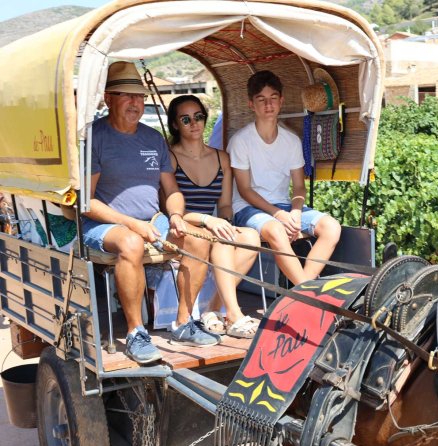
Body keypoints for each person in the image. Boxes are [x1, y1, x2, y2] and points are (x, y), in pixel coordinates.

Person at [82, 61, 219, 364]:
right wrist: (133, 225)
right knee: (131, 242)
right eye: (127, 95)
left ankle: (183, 322)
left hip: (152, 221)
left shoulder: (153, 138)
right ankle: (136, 333)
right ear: (108, 98)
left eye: (139, 96)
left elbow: (172, 191)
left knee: (198, 239)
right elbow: (87, 202)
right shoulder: (94, 138)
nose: (135, 103)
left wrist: (176, 216)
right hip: (103, 224)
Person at [228, 70, 341, 285]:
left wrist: (295, 212)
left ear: (281, 101)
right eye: (261, 99)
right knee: (277, 229)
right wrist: (278, 214)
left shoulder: (291, 140)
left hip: (283, 206)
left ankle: (302, 287)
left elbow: (299, 186)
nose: (268, 105)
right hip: (247, 208)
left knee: (332, 227)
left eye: (273, 98)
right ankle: (305, 292)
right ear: (251, 104)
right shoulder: (240, 141)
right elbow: (244, 190)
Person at [166, 95, 261, 338]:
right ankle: (234, 314)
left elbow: (225, 205)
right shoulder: (171, 158)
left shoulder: (221, 158)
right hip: (180, 226)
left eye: (198, 117)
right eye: (185, 119)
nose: (194, 123)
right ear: (175, 124)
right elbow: (171, 209)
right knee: (219, 238)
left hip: (210, 225)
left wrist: (224, 222)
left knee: (250, 237)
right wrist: (208, 221)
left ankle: (212, 309)